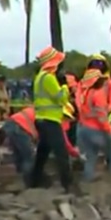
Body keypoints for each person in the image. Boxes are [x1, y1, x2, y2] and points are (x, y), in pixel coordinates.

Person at [29, 47, 77, 191]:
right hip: (50, 121)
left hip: (41, 119)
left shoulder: (40, 77)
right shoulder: (48, 78)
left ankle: (34, 181)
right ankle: (68, 185)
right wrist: (65, 86)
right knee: (61, 153)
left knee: (42, 153)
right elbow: (60, 98)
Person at [2, 105, 78, 186]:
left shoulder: (45, 110)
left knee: (20, 156)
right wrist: (75, 153)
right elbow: (63, 141)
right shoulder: (55, 119)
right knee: (29, 157)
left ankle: (21, 181)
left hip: (11, 123)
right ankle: (31, 184)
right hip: (19, 127)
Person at [76, 69, 111, 181]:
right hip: (97, 130)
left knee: (90, 157)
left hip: (84, 129)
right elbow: (102, 118)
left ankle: (87, 180)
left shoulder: (85, 93)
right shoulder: (98, 94)